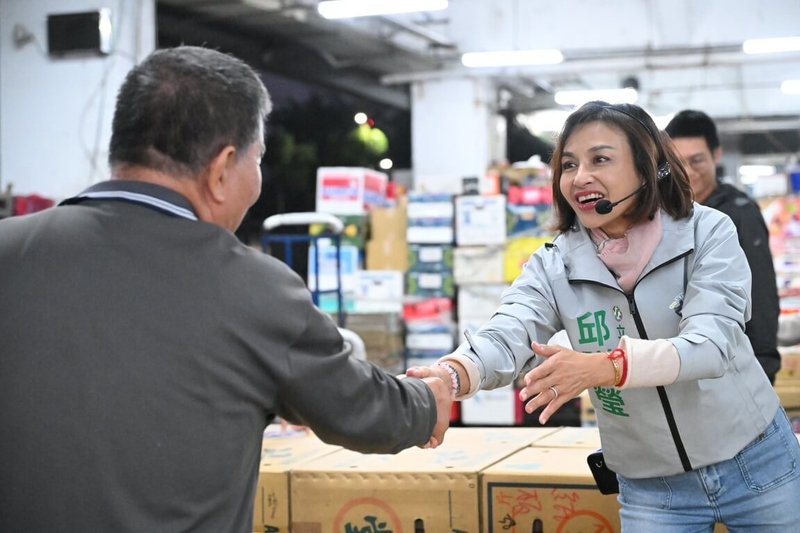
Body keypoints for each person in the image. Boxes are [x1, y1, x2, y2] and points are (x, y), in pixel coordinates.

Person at [0, 46, 452, 533]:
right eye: (258, 160)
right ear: (221, 170)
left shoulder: (10, 249)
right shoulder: (256, 291)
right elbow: (363, 409)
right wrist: (430, 399)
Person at [408, 101, 800, 531]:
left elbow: (710, 346)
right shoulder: (555, 265)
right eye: (569, 164)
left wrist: (605, 367)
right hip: (654, 488)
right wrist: (450, 376)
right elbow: (508, 330)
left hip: (756, 462)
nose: (580, 177)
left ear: (647, 168)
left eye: (600, 159)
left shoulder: (707, 232)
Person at [666, 109, 781, 384]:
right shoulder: (666, 213)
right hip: (682, 364)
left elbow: (762, 296)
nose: (688, 172)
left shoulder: (740, 213)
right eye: (678, 162)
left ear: (716, 155)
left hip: (733, 367)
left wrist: (763, 369)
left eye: (697, 161)